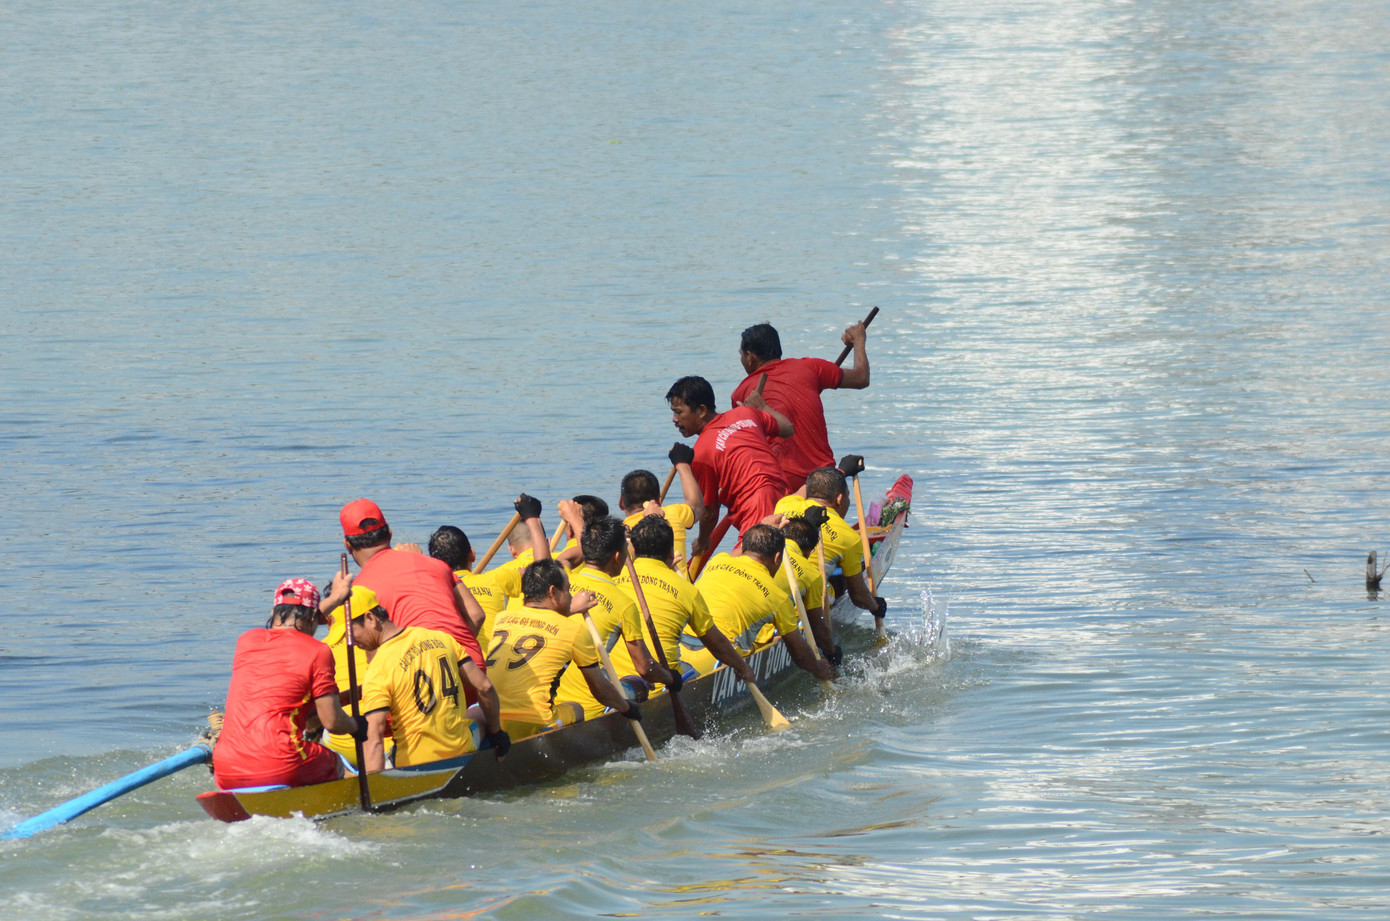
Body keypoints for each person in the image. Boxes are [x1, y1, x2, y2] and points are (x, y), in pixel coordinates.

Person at [212, 577, 367, 791]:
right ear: (313, 617)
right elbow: (332, 722)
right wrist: (356, 725)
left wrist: (336, 598)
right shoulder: (318, 651)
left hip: (225, 767)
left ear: (273, 612)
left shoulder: (246, 641)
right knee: (336, 762)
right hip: (280, 763)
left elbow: (295, 624)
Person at [338, 499, 489, 696]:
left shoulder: (359, 590)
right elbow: (476, 615)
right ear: (389, 533)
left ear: (347, 544)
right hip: (471, 670)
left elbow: (374, 658)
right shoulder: (434, 563)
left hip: (422, 680)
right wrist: (450, 650)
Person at [486, 559, 643, 740]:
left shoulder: (502, 618)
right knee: (577, 709)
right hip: (533, 721)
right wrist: (626, 707)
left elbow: (542, 621)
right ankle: (565, 748)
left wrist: (571, 610)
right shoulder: (575, 631)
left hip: (491, 715)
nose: (570, 597)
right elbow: (599, 689)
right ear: (552, 592)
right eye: (567, 590)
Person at [351, 604, 508, 770]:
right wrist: (497, 734)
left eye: (351, 632)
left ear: (370, 618)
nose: (352, 642)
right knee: (478, 711)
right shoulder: (441, 638)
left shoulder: (377, 669)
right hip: (459, 749)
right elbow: (484, 687)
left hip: (415, 766)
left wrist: (375, 782)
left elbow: (375, 735)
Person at [552, 512, 679, 718]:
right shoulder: (624, 604)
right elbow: (644, 667)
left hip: (551, 696)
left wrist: (594, 546)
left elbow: (564, 558)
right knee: (639, 684)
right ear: (618, 557)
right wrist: (671, 678)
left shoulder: (562, 579)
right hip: (592, 703)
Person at [615, 516, 757, 688]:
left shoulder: (613, 577)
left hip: (614, 681)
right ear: (671, 552)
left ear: (634, 549)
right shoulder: (687, 590)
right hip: (662, 682)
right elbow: (716, 643)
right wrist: (743, 667)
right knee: (693, 673)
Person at [666, 375, 794, 564]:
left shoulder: (700, 455)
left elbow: (709, 512)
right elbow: (788, 428)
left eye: (679, 412)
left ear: (701, 411)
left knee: (737, 567)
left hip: (757, 507)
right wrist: (762, 408)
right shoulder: (746, 414)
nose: (674, 419)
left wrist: (702, 541)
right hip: (785, 496)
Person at [730, 321, 870, 492]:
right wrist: (859, 340)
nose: (742, 360)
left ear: (750, 356)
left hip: (782, 485)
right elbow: (861, 377)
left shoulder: (741, 393)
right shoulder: (810, 367)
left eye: (741, 355)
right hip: (826, 480)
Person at [691, 524, 836, 682]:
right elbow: (799, 652)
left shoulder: (718, 560)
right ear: (777, 558)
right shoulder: (778, 598)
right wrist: (817, 668)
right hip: (719, 653)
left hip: (682, 637)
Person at [430, 495, 551, 654]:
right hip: (493, 665)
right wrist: (532, 517)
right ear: (472, 554)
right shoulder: (495, 579)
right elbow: (543, 574)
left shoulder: (429, 592)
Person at [774, 464, 887, 628]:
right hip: (803, 602)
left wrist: (842, 470)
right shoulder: (849, 538)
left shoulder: (785, 504)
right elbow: (858, 596)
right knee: (832, 587)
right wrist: (875, 606)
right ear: (839, 499)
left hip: (774, 589)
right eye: (848, 496)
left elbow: (807, 488)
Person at [618, 447, 704, 574]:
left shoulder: (619, 536)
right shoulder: (673, 514)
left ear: (621, 503)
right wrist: (682, 464)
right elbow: (697, 506)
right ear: (658, 501)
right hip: (680, 584)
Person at [776, 512, 838, 661]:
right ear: (810, 552)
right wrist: (833, 652)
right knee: (829, 593)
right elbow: (817, 627)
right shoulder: (812, 575)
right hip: (763, 632)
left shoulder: (759, 549)